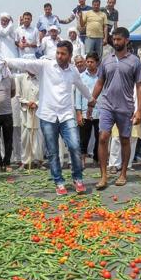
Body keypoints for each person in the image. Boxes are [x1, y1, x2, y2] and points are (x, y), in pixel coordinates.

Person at [5, 41, 93, 195]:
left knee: (74, 146)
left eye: (63, 53)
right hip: (48, 115)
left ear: (70, 56)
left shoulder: (73, 71)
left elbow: (81, 86)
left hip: (66, 115)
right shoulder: (46, 66)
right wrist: (5, 61)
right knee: (52, 152)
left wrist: (91, 99)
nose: (59, 56)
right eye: (57, 53)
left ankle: (77, 178)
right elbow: (25, 63)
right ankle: (59, 181)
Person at [91, 27, 141, 188]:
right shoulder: (106, 59)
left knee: (124, 140)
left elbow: (140, 86)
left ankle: (123, 174)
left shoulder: (135, 61)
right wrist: (92, 99)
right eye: (114, 39)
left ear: (126, 41)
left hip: (125, 107)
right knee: (103, 138)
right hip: (107, 105)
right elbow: (100, 82)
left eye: (119, 39)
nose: (115, 42)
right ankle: (104, 176)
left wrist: (139, 110)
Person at [75, 52, 101, 166]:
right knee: (83, 138)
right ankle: (82, 160)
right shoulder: (81, 77)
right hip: (85, 112)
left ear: (97, 63)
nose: (89, 64)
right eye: (88, 62)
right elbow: (78, 96)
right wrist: (79, 113)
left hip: (100, 112)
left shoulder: (102, 76)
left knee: (99, 137)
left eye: (92, 62)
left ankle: (97, 158)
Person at [17, 68, 43, 168]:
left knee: (38, 136)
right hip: (25, 111)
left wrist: (36, 103)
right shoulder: (21, 78)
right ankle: (25, 161)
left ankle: (38, 161)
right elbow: (18, 95)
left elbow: (44, 95)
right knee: (25, 136)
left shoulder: (41, 79)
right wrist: (27, 102)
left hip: (38, 111)